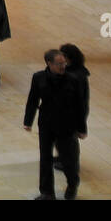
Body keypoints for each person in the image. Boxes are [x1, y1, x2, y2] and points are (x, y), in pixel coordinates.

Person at [24, 48, 87, 200]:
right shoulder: (38, 78)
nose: (63, 66)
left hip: (67, 126)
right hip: (46, 124)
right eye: (59, 63)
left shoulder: (73, 80)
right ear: (49, 63)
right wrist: (28, 121)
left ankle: (72, 184)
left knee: (68, 160)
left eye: (64, 63)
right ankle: (47, 192)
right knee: (45, 159)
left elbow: (80, 105)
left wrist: (81, 128)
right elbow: (33, 100)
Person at [56, 43, 90, 172]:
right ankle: (63, 158)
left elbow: (80, 101)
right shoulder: (72, 71)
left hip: (72, 113)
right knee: (60, 139)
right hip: (64, 112)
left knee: (69, 140)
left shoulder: (76, 76)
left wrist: (82, 127)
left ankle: (70, 163)